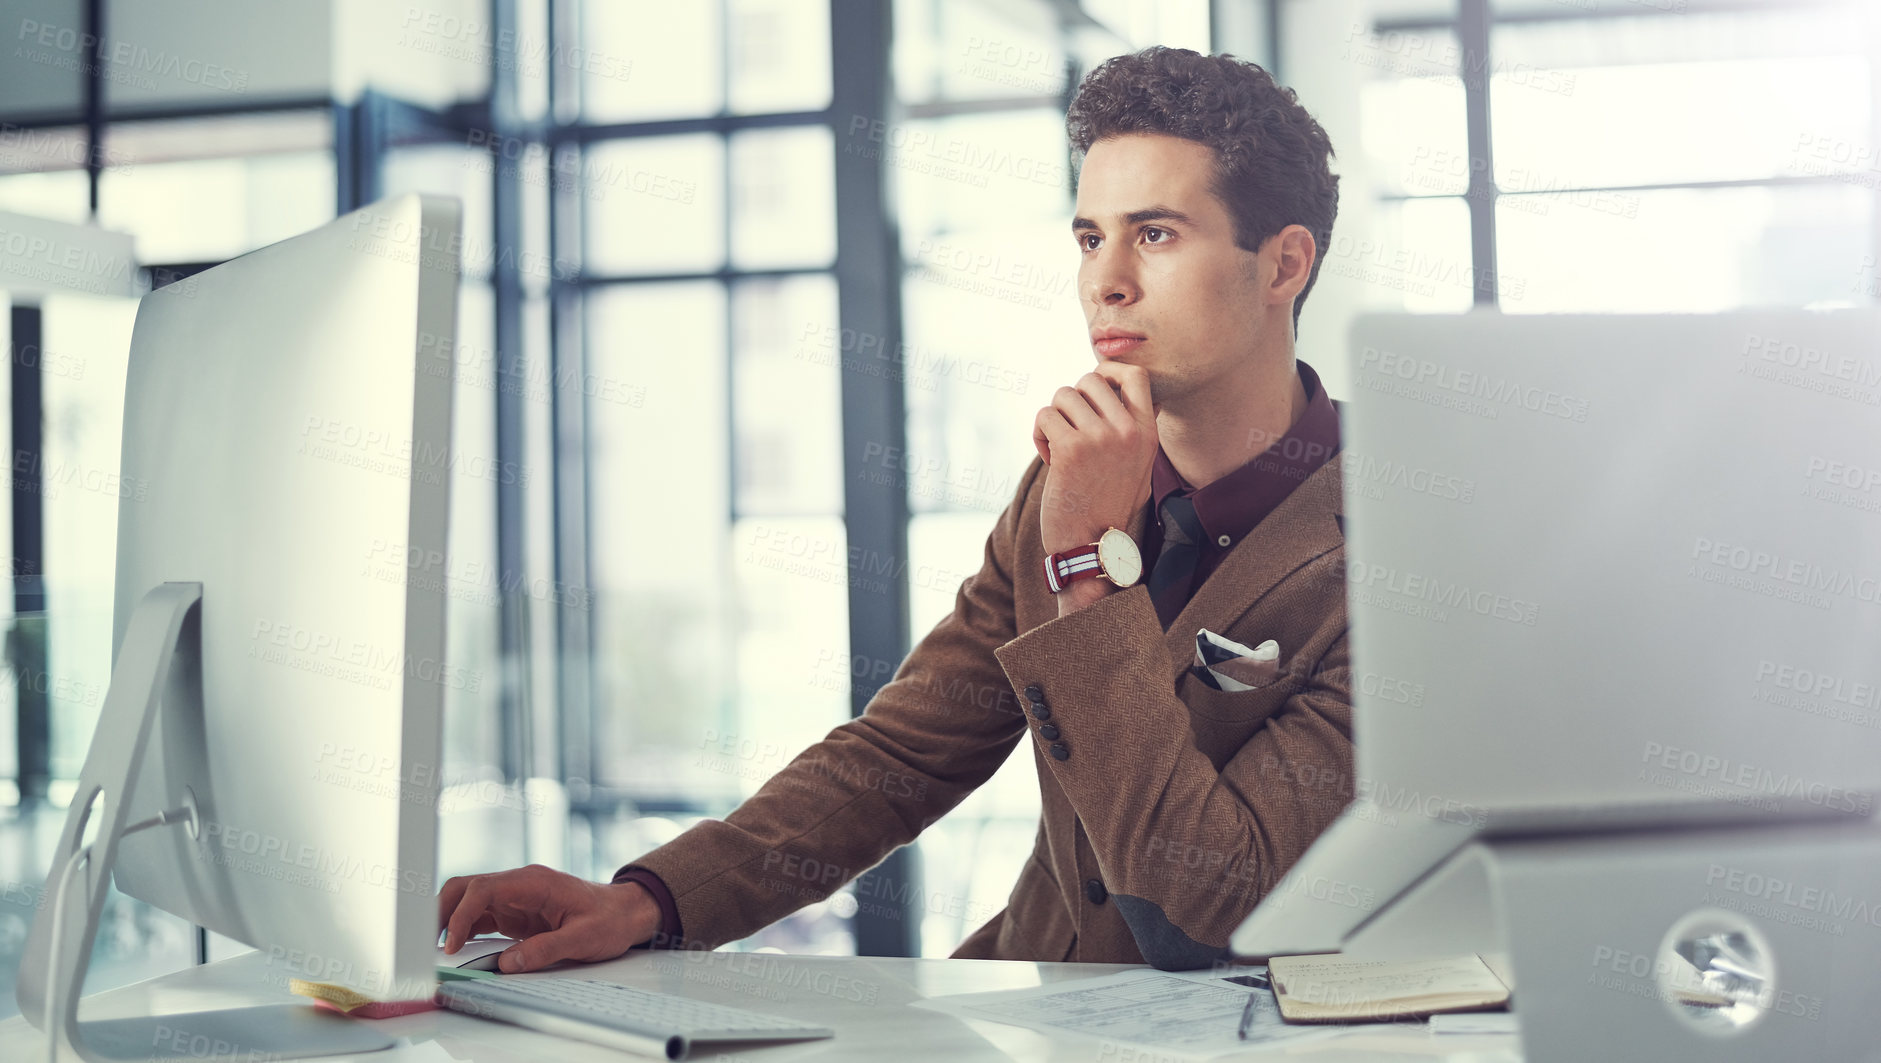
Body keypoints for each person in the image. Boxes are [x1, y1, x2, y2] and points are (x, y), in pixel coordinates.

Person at [439, 45, 1350, 973]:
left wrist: (1083, 562)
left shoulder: (1393, 546)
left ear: (1282, 265)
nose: (1102, 281)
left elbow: (1207, 909)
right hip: (1024, 997)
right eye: (1087, 237)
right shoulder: (1059, 483)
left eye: (1154, 234)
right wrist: (646, 900)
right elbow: (904, 751)